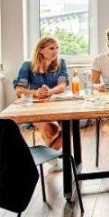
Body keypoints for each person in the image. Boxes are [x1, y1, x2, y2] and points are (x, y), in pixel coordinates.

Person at [14, 36, 69, 170]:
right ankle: (54, 158)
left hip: (57, 105)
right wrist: (36, 93)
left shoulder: (61, 63)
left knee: (71, 125)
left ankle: (52, 156)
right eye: (51, 48)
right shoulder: (27, 65)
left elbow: (62, 85)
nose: (55, 51)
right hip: (35, 107)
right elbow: (19, 90)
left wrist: (49, 91)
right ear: (41, 50)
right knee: (52, 128)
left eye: (57, 48)